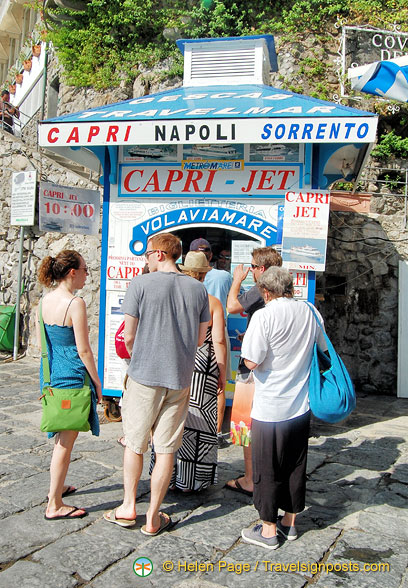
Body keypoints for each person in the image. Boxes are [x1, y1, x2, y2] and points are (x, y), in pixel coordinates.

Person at [104, 232, 210, 534]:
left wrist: (142, 355)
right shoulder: (197, 289)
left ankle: (127, 507)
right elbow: (201, 339)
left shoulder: (140, 284)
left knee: (135, 444)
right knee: (165, 449)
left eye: (147, 254)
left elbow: (129, 335)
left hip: (144, 374)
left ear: (160, 254)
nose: (146, 259)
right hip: (179, 377)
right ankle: (153, 517)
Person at [240, 267, 326, 549]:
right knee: (294, 465)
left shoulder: (264, 316)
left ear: (266, 292)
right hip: (300, 406)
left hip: (270, 407)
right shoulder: (310, 312)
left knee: (267, 468)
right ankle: (289, 524)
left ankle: (267, 531)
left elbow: (252, 361)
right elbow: (322, 349)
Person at [36, 250, 102, 520]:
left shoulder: (44, 301)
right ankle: (55, 503)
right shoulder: (75, 303)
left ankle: (58, 485)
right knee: (65, 442)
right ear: (72, 272)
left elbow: (44, 347)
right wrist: (97, 383)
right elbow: (84, 350)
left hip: (51, 377)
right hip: (72, 378)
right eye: (85, 269)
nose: (88, 274)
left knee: (60, 437)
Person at [225, 246, 282, 496]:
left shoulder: (260, 289)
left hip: (251, 369)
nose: (249, 271)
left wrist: (236, 281)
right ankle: (268, 473)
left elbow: (232, 307)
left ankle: (250, 478)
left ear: (261, 269)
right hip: (274, 368)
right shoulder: (284, 291)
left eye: (252, 267)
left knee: (244, 424)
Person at [168, 251, 227, 491]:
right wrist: (222, 372)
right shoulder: (212, 302)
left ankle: (169, 475)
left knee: (172, 416)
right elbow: (220, 341)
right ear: (204, 274)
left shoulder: (173, 297)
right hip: (203, 363)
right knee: (201, 419)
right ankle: (196, 478)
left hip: (176, 359)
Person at [189, 238, 232, 447]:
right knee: (211, 395)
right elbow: (219, 340)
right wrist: (222, 372)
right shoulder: (214, 297)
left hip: (181, 353)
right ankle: (212, 435)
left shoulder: (175, 293)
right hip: (206, 353)